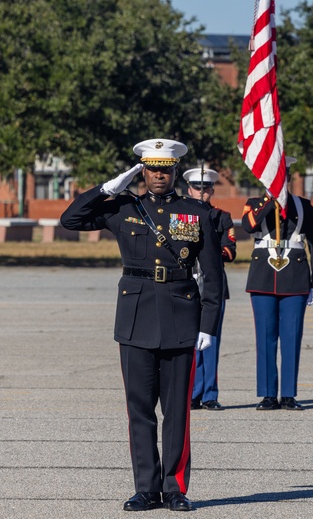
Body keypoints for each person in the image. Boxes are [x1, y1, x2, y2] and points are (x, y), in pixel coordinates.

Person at [60, 138, 223, 513]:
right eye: (151, 169)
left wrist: (208, 325)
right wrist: (106, 189)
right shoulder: (123, 208)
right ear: (142, 172)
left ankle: (175, 488)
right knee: (140, 411)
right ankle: (146, 489)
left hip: (181, 317)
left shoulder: (196, 212)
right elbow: (71, 220)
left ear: (175, 171)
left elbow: (213, 276)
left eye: (165, 170)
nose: (158, 175)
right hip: (136, 318)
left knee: (177, 412)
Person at [242, 157, 313, 411]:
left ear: (288, 177)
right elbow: (249, 226)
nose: (279, 180)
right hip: (263, 277)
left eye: (282, 175)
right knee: (265, 338)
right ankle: (268, 394)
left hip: (295, 277)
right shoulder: (254, 203)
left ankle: (288, 394)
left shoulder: (305, 206)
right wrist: (270, 199)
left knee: (292, 337)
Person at [182, 166, 236, 411]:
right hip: (186, 283)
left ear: (212, 190)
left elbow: (230, 251)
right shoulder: (181, 216)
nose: (202, 192)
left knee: (211, 341)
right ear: (189, 190)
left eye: (206, 188)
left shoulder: (221, 217)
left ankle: (210, 394)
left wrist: (208, 248)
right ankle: (191, 393)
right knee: (189, 342)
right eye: (197, 188)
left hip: (212, 284)